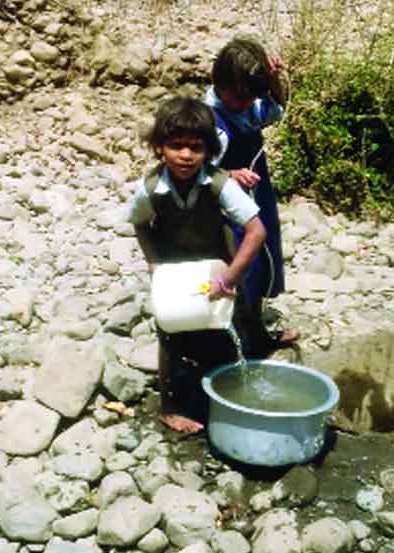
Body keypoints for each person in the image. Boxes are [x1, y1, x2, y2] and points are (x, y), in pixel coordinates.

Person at [128, 96, 267, 433]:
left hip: (217, 267)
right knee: (171, 334)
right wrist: (154, 263)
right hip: (175, 270)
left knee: (228, 327)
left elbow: (256, 231)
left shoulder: (219, 184)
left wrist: (231, 278)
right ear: (160, 147)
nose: (186, 156)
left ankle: (225, 393)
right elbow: (140, 224)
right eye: (176, 146)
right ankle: (170, 405)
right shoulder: (150, 188)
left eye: (195, 147)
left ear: (209, 149)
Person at [204, 35, 299, 358]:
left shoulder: (246, 105)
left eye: (251, 98)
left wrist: (273, 79)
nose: (247, 105)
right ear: (221, 84)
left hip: (258, 197)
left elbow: (277, 109)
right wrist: (229, 174)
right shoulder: (208, 121)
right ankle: (238, 341)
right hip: (227, 210)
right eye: (241, 98)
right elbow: (195, 172)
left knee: (262, 260)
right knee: (238, 265)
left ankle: (254, 331)